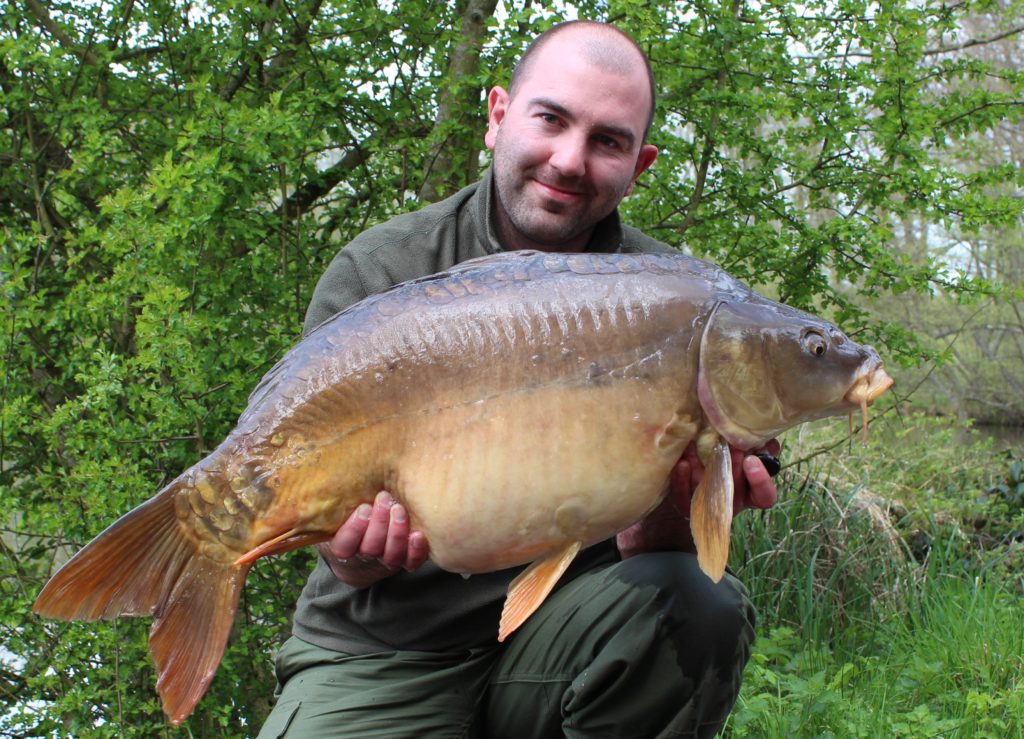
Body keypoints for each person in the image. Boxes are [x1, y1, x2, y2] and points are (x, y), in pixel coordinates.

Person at [257, 20, 779, 739]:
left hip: (564, 639)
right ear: (498, 115)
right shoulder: (383, 269)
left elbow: (653, 562)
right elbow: (341, 561)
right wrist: (356, 546)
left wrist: (668, 513)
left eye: (608, 140)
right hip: (385, 645)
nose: (570, 159)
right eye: (552, 119)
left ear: (641, 163)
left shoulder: (684, 304)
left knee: (703, 604)